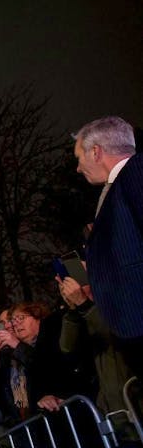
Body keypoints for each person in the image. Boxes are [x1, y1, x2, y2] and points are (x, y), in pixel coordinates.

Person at [73, 116, 143, 377]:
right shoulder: (117, 187)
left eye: (78, 157)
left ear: (96, 151)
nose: (78, 168)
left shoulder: (134, 171)